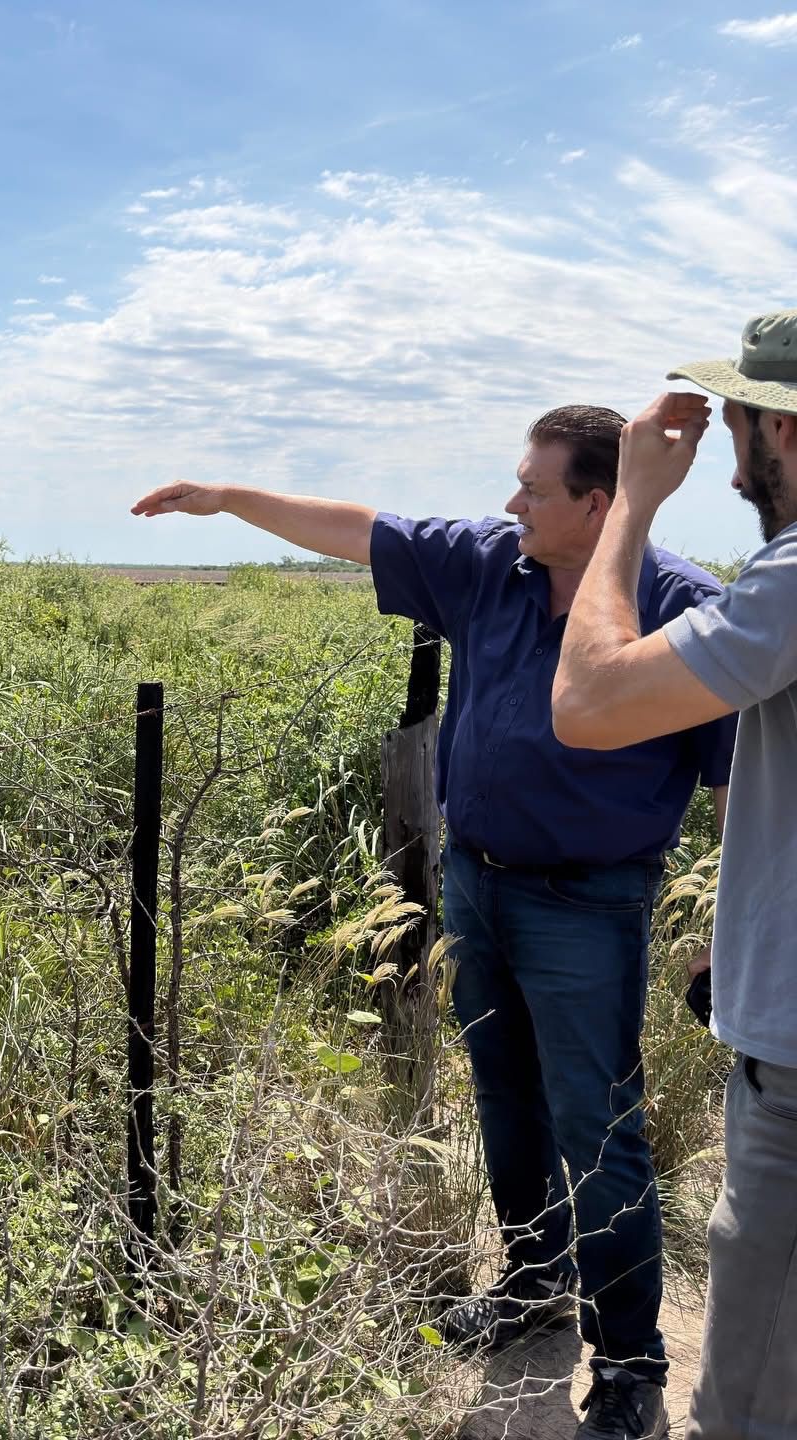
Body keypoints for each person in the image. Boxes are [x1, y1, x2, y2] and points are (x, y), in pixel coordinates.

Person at [133, 405, 737, 1440]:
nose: (512, 504)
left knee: (598, 1123)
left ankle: (631, 1362)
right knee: (503, 1091)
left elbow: (742, 794)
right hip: (479, 878)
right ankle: (536, 1276)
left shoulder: (685, 609)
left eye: (535, 490)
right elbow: (362, 527)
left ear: (599, 505)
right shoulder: (488, 566)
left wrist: (731, 931)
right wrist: (228, 498)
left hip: (590, 902)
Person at [553, 309, 797, 1440]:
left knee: (751, 1396)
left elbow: (591, 702)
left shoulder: (790, 580)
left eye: (743, 416)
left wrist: (633, 510)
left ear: (778, 434)